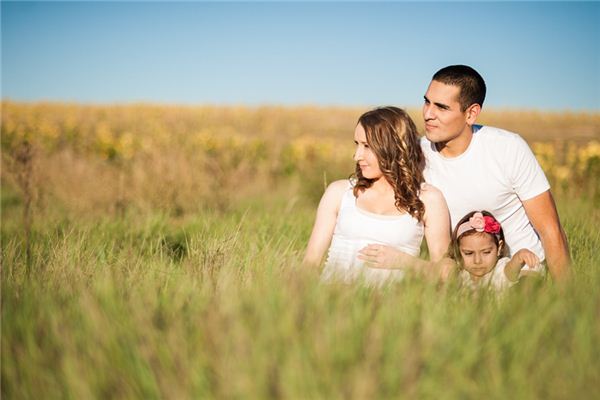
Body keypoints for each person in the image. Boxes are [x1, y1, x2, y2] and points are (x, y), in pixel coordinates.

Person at [420, 65, 571, 281]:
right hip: (462, 279)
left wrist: (567, 300)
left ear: (471, 113)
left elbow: (550, 229)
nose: (428, 114)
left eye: (441, 107)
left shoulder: (508, 148)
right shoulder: (416, 154)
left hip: (522, 275)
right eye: (427, 101)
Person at [303, 106, 450, 286]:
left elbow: (447, 273)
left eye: (367, 146)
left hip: (392, 308)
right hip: (333, 303)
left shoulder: (428, 199)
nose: (357, 156)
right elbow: (309, 265)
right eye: (357, 145)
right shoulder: (339, 193)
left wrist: (404, 262)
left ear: (394, 147)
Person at [450, 211, 542, 292]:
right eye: (469, 253)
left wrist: (519, 257)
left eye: (486, 252)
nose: (477, 260)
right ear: (458, 251)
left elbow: (511, 270)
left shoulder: (499, 269)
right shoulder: (461, 275)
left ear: (499, 248)